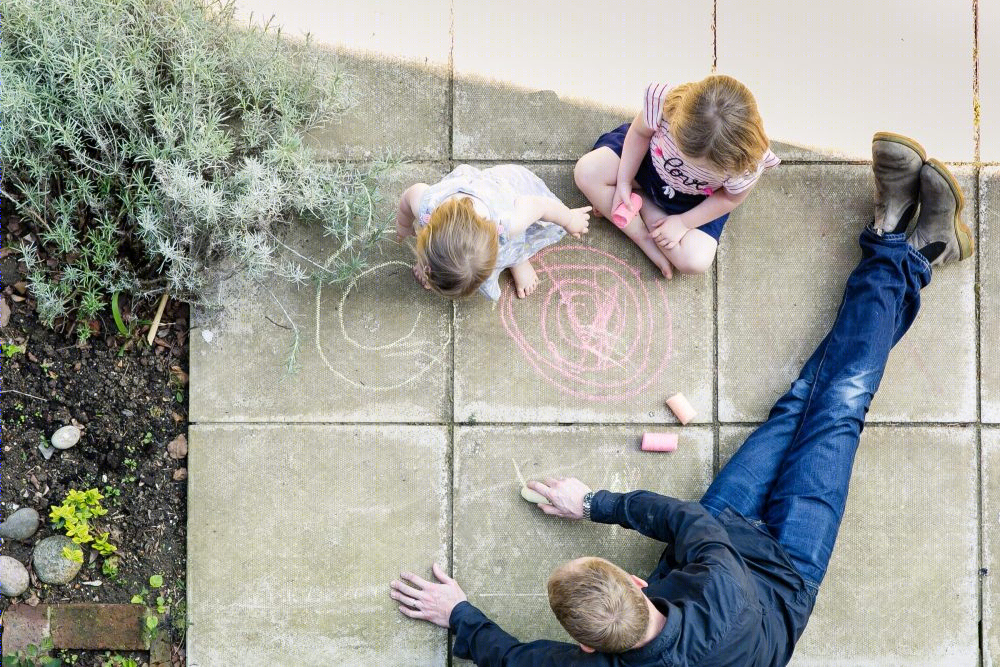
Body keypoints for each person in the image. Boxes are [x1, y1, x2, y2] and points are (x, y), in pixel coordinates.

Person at [389, 132, 974, 666]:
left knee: (804, 401)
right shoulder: (713, 572)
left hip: (729, 548)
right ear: (639, 585)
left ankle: (907, 245)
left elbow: (513, 660)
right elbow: (681, 519)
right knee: (838, 405)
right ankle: (902, 249)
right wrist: (592, 503)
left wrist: (458, 616)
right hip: (788, 573)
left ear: (588, 646)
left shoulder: (603, 655)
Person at [574, 75, 779, 279]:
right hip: (647, 166)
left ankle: (643, 204)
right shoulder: (666, 103)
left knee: (695, 261)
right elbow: (639, 133)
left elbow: (729, 198)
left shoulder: (747, 161)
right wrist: (624, 181)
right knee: (587, 172)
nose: (687, 163)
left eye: (700, 165)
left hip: (692, 200)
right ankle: (645, 239)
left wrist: (683, 223)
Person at [396, 164, 592, 300]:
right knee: (449, 261)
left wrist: (569, 219)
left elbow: (540, 206)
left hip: (512, 192)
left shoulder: (509, 222)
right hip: (478, 194)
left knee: (516, 241)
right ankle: (435, 264)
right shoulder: (426, 204)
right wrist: (404, 226)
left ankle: (518, 260)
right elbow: (408, 197)